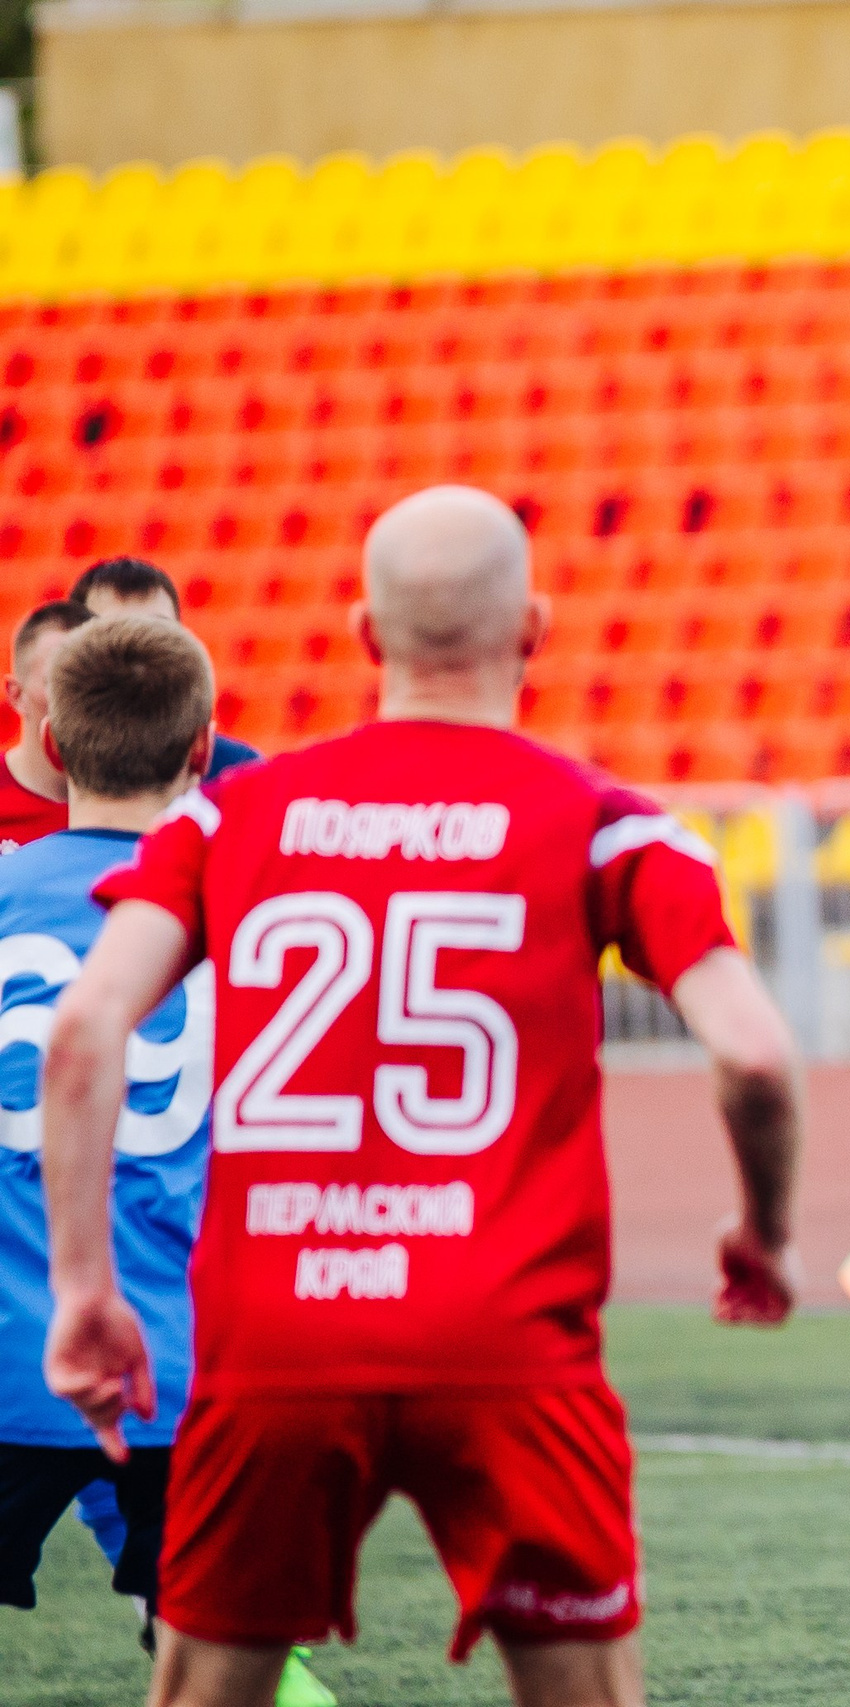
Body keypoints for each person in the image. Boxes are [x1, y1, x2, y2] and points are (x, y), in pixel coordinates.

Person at [40, 485, 802, 1707]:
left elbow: (84, 1033)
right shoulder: (612, 827)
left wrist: (86, 1289)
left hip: (277, 1338)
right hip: (506, 1344)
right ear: (536, 630)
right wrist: (762, 1236)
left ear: (361, 634)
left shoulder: (227, 816)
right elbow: (755, 1054)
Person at [0, 618, 333, 1707]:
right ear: (204, 751)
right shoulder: (264, 918)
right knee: (218, 1663)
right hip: (197, 1372)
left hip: (13, 1350)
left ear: (45, 741)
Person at [69, 558, 261, 780]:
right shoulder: (51, 775)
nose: (140, 653)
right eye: (115, 634)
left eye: (159, 633)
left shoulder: (236, 771)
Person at [1, 602, 93, 853]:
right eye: (60, 680)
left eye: (94, 681)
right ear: (16, 695)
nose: (79, 696)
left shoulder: (138, 802)